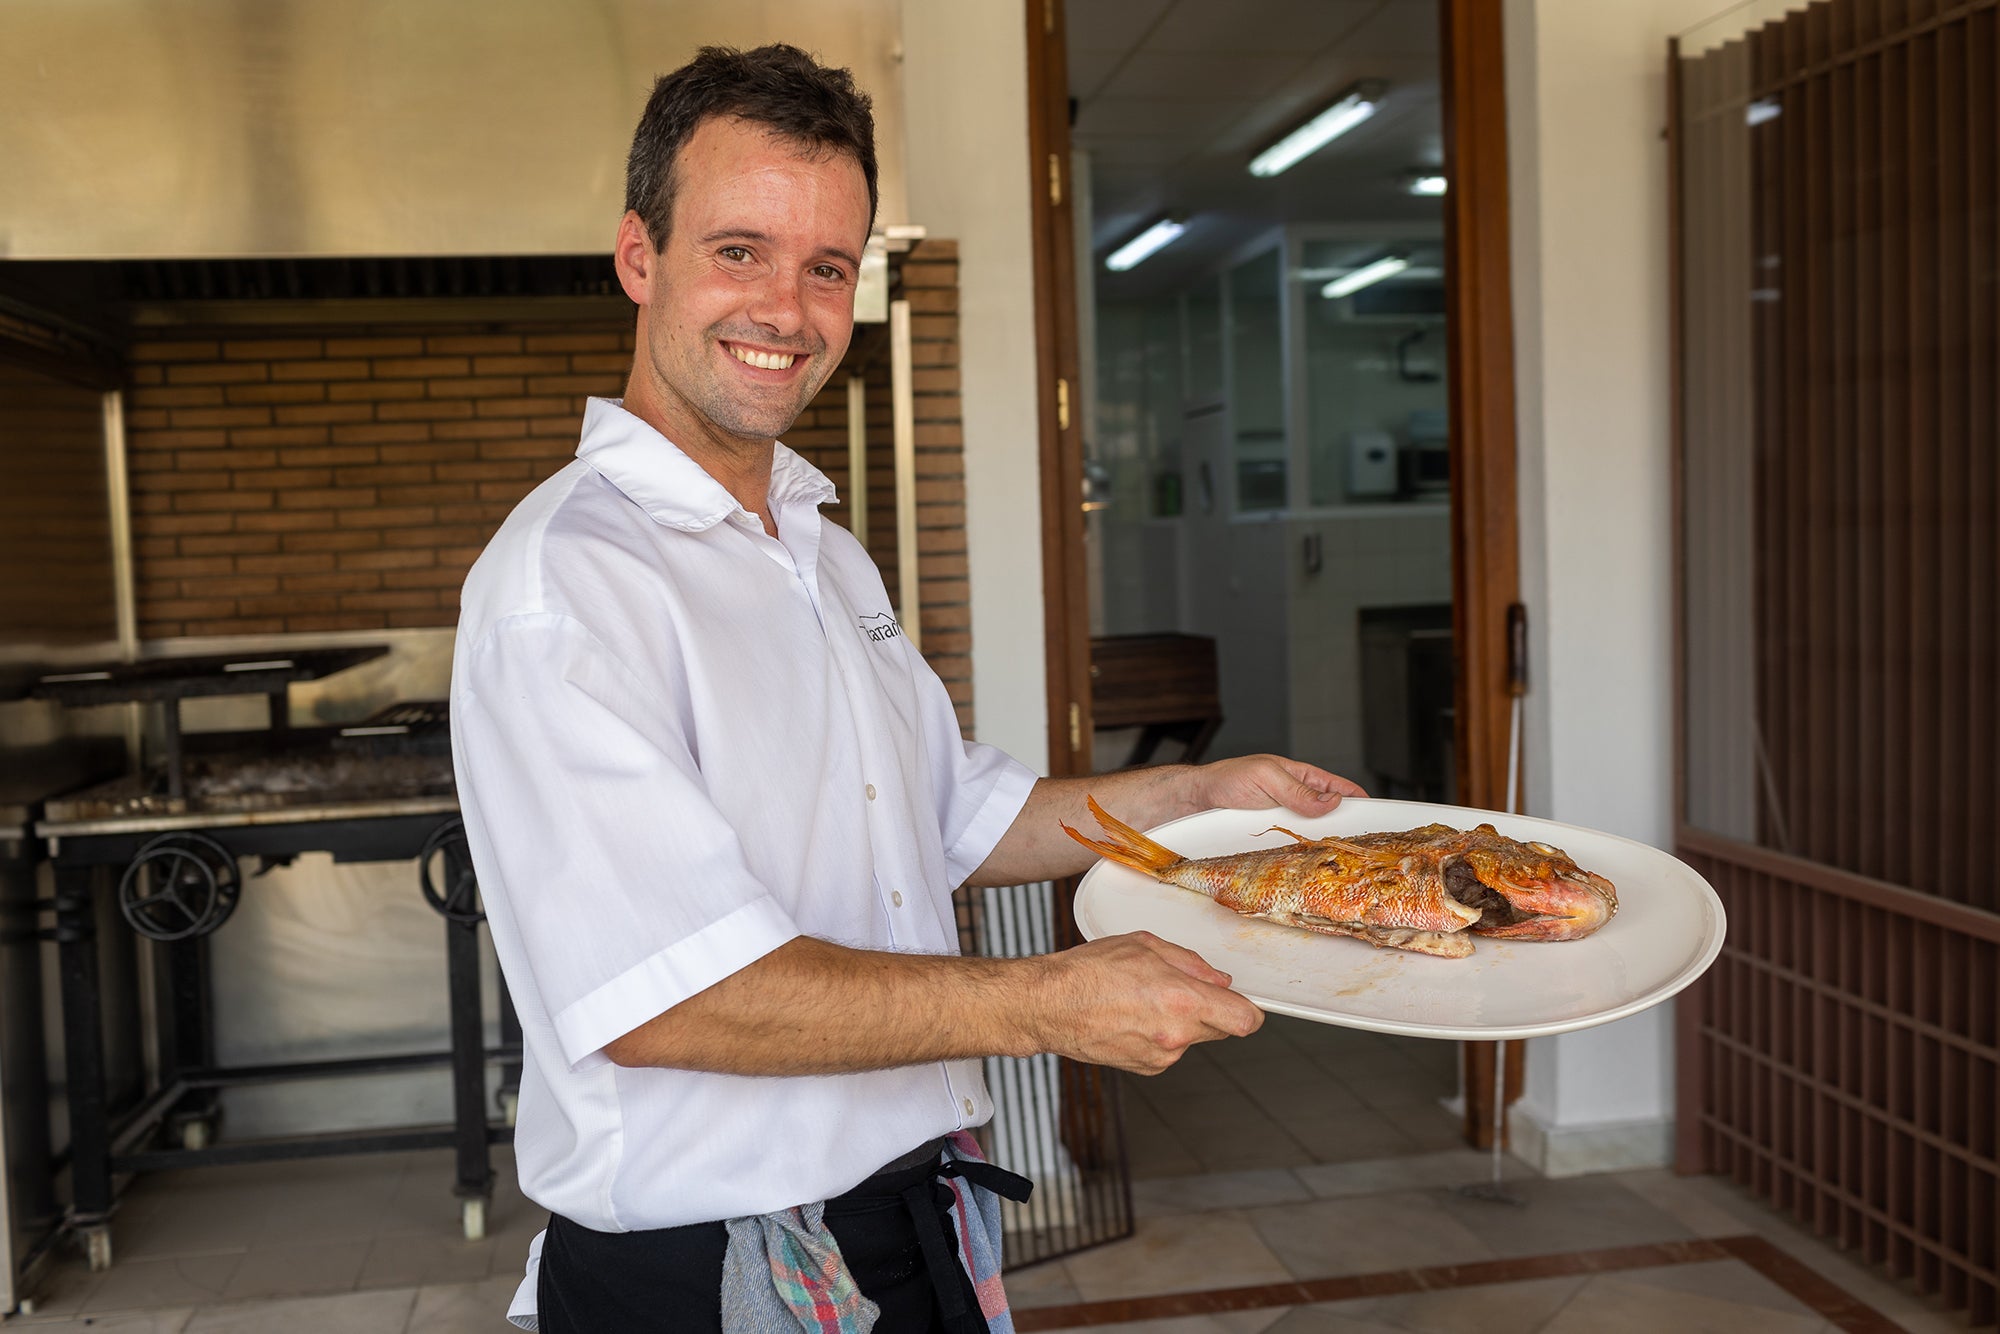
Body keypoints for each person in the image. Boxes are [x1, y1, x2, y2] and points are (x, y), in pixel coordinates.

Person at [450, 42, 1364, 1333]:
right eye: (739, 250)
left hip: (907, 1219)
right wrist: (1051, 1002)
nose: (788, 306)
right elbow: (672, 995)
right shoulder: (571, 582)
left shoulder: (817, 544)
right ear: (639, 257)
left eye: (828, 266)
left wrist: (1204, 790)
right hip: (718, 1273)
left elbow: (951, 819)